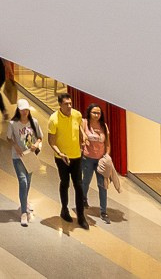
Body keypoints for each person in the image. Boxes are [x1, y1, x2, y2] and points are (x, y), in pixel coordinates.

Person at [48, 90, 90, 228]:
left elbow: (78, 127)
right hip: (62, 158)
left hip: (76, 155)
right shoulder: (54, 119)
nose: (69, 106)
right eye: (66, 104)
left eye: (71, 103)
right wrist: (61, 154)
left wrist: (83, 136)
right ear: (60, 105)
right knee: (65, 183)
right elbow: (51, 141)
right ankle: (64, 209)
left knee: (78, 185)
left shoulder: (77, 115)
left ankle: (81, 215)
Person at [8, 99, 44, 226]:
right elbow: (9, 137)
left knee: (28, 181)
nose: (25, 112)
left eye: (27, 110)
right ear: (18, 110)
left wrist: (36, 144)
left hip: (30, 156)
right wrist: (15, 146)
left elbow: (40, 137)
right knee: (23, 181)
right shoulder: (13, 124)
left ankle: (25, 201)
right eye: (23, 110)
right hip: (18, 157)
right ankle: (23, 212)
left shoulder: (34, 122)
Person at [82, 103, 113, 223]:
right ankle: (83, 198)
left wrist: (106, 156)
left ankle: (103, 211)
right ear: (89, 113)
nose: (96, 115)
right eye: (94, 113)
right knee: (86, 181)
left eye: (99, 113)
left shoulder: (103, 126)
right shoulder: (84, 123)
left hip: (101, 160)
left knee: (102, 185)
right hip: (88, 158)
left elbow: (107, 144)